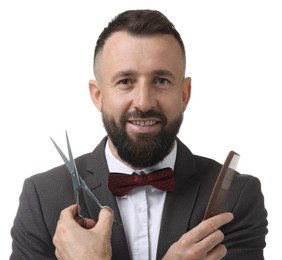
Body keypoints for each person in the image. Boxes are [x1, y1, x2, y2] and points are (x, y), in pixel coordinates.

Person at [10, 9, 268, 260]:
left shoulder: (237, 195)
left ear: (184, 94)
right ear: (98, 95)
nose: (144, 102)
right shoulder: (42, 196)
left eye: (161, 81)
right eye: (125, 81)